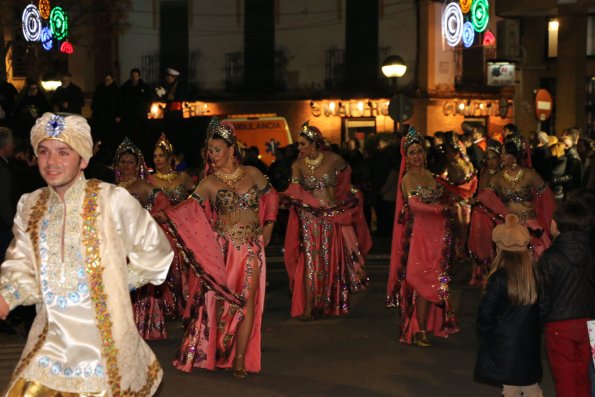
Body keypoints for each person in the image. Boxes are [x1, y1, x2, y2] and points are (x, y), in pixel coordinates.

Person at [0, 112, 173, 396]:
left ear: (83, 159)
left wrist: (116, 281)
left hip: (104, 345)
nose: (51, 162)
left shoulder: (112, 200)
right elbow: (21, 264)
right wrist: (8, 294)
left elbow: (156, 250)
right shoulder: (30, 206)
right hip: (50, 342)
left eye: (63, 152)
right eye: (43, 152)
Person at [167, 117, 278, 377]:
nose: (212, 155)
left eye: (217, 150)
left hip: (250, 247)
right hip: (222, 250)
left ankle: (240, 358)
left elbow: (272, 196)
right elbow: (189, 210)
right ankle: (217, 349)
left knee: (246, 301)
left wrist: (270, 224)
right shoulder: (208, 183)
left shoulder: (253, 173)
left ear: (231, 150)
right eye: (209, 151)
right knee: (219, 301)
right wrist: (166, 216)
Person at [282, 122, 371, 320]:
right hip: (309, 218)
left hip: (332, 216)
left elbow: (347, 180)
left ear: (314, 143)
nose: (299, 148)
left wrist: (346, 198)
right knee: (310, 259)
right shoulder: (297, 165)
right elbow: (295, 190)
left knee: (330, 258)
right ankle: (309, 307)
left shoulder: (334, 159)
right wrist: (284, 198)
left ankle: (331, 303)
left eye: (303, 144)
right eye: (299, 144)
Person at [386, 126, 459, 346]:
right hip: (419, 236)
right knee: (420, 280)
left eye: (420, 151)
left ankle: (427, 327)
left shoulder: (430, 175)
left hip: (437, 234)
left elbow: (443, 196)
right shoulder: (408, 178)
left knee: (435, 277)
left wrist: (454, 200)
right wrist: (443, 210)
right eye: (412, 152)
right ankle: (418, 330)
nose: (417, 156)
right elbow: (415, 206)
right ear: (406, 157)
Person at [113, 137, 178, 340]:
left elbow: (165, 205)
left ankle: (144, 326)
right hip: (116, 243)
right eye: (122, 162)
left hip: (135, 242)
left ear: (138, 165)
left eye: (130, 162)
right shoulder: (111, 188)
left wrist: (149, 219)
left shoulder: (142, 186)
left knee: (138, 284)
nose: (126, 166)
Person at [474, 214, 543, 397]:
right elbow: (544, 306)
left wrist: (485, 329)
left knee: (510, 386)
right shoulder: (534, 275)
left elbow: (486, 311)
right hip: (529, 340)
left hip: (503, 340)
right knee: (531, 385)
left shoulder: (498, 278)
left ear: (499, 250)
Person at [539, 199, 595, 397]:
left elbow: (544, 297)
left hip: (559, 325)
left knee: (565, 379)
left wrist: (537, 323)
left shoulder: (550, 257)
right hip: (589, 323)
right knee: (583, 377)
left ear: (556, 224)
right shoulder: (590, 253)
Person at [477, 138, 555, 258]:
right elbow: (487, 197)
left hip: (530, 226)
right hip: (508, 226)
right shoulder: (497, 177)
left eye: (506, 153)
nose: (502, 156)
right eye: (501, 153)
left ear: (515, 156)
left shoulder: (530, 175)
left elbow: (547, 198)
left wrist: (550, 222)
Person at [468, 143, 502, 286]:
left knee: (491, 242)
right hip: (479, 212)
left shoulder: (501, 174)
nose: (491, 161)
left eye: (494, 158)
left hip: (493, 212)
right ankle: (481, 274)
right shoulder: (482, 171)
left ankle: (493, 274)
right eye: (488, 158)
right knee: (479, 242)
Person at [149, 133, 195, 204]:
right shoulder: (150, 180)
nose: (157, 159)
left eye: (161, 155)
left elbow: (195, 200)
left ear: (170, 159)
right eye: (155, 156)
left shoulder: (183, 176)